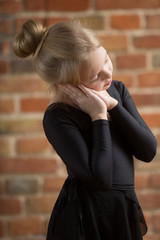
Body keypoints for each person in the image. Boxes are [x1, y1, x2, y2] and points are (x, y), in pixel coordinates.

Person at [13, 19, 157, 240]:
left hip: (122, 209)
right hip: (86, 217)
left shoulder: (116, 90)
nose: (108, 74)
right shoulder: (57, 117)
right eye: (94, 77)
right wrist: (98, 116)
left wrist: (114, 107)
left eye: (106, 60)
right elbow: (101, 179)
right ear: (68, 84)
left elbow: (148, 151)